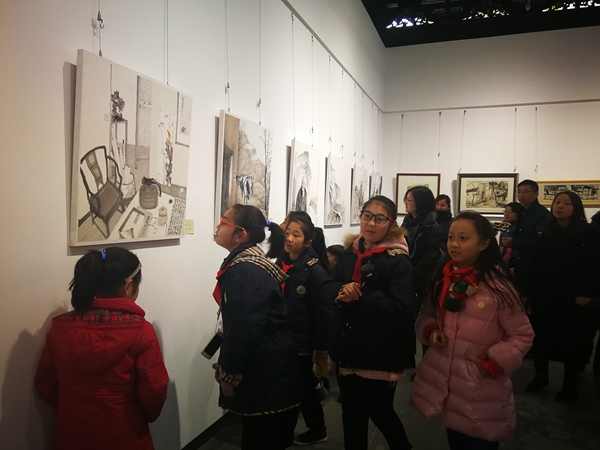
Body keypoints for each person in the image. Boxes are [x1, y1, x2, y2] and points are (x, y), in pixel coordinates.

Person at [410, 212, 534, 450]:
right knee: (456, 440)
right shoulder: (443, 278)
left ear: (484, 244)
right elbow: (426, 313)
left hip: (481, 387)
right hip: (450, 386)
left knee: (479, 442)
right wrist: (431, 329)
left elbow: (522, 334)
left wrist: (493, 363)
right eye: (451, 237)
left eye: (463, 238)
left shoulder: (498, 287)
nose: (454, 244)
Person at [35, 247, 169, 450]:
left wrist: (74, 405)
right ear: (128, 286)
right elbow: (155, 391)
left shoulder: (59, 329)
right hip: (125, 434)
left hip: (71, 433)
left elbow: (45, 383)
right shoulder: (142, 331)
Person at [323, 195, 414, 450]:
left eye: (380, 218)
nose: (371, 223)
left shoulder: (397, 259)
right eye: (367, 216)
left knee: (381, 411)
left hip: (379, 350)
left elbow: (402, 308)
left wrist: (362, 294)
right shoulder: (350, 253)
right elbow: (327, 286)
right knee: (351, 415)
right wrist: (342, 288)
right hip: (348, 347)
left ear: (391, 223)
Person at [213, 204, 299, 449]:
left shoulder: (245, 271)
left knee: (260, 437)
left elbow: (244, 328)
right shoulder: (247, 263)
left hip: (263, 367)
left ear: (241, 235)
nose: (218, 225)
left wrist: (230, 373)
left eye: (224, 221)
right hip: (268, 362)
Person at [522, 192, 600, 401]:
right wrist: (526, 291)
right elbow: (533, 263)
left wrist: (586, 292)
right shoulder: (543, 231)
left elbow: (593, 265)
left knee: (573, 340)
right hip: (545, 293)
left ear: (576, 208)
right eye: (557, 202)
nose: (560, 206)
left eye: (567, 203)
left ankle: (570, 382)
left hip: (573, 296)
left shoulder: (589, 233)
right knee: (540, 336)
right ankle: (541, 375)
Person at [277, 212, 330, 446]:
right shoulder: (282, 263)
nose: (289, 238)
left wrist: (319, 347)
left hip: (301, 340)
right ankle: (305, 428)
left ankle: (316, 428)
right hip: (284, 337)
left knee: (302, 386)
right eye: (287, 233)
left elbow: (321, 313)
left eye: (295, 235)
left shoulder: (314, 271)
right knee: (297, 384)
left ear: (308, 242)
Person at [402, 186, 443, 366]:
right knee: (407, 319)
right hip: (406, 276)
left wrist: (412, 275)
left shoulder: (431, 226)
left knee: (423, 320)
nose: (406, 203)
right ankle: (407, 358)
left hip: (422, 280)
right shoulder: (408, 221)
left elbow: (430, 257)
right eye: (406, 199)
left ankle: (427, 364)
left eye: (410, 200)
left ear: (421, 203)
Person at [501, 179, 549, 292]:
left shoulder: (541, 213)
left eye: (526, 191)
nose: (521, 195)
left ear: (536, 194)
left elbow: (540, 241)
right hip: (520, 262)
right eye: (519, 191)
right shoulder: (523, 211)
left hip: (534, 264)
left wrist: (513, 242)